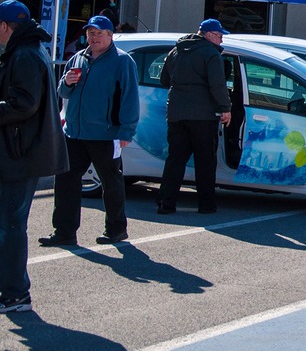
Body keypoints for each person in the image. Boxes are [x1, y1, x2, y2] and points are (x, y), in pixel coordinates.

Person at [41, 15, 140, 247]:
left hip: (106, 133)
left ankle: (116, 229)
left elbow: (129, 99)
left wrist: (126, 131)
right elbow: (63, 93)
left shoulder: (122, 62)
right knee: (65, 181)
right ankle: (64, 232)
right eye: (90, 33)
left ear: (109, 36)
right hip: (75, 133)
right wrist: (67, 82)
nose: (94, 38)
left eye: (99, 33)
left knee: (111, 182)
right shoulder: (77, 58)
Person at [0, 1, 68, 313]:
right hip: (21, 152)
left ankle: (15, 294)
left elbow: (24, 104)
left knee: (11, 225)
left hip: (19, 154)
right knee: (10, 223)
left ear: (4, 26)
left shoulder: (24, 53)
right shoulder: (31, 49)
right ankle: (12, 290)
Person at [156, 19, 232, 214]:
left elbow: (164, 79)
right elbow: (217, 84)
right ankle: (206, 205)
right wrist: (225, 108)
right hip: (203, 116)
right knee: (205, 161)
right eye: (219, 35)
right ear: (208, 34)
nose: (221, 40)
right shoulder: (211, 54)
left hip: (176, 114)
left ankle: (166, 203)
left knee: (175, 160)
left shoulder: (176, 51)